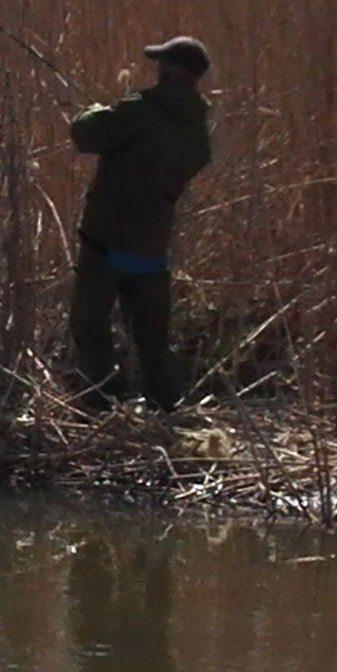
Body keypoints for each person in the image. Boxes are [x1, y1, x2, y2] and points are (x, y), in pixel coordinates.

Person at [66, 36, 212, 412]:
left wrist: (92, 110)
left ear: (174, 71)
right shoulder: (198, 133)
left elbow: (87, 135)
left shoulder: (141, 108)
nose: (156, 68)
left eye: (163, 63)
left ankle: (101, 405)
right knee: (152, 338)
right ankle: (165, 408)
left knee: (89, 325)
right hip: (150, 248)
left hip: (106, 241)